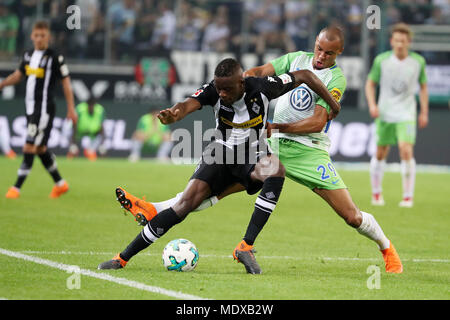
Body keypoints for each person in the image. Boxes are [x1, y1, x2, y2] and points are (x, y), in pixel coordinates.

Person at [123, 26, 403, 274]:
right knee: (212, 190)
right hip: (268, 146)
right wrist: (243, 84)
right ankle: (155, 210)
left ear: (338, 53)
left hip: (307, 151)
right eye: (319, 48)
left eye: (329, 53)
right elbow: (258, 73)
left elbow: (318, 122)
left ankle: (386, 247)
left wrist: (275, 127)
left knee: (351, 216)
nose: (321, 56)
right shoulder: (296, 58)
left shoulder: (335, 80)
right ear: (314, 44)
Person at [98, 57, 340, 274]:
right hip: (219, 154)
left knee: (276, 171)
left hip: (252, 154)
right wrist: (174, 114)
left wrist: (333, 104)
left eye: (227, 89)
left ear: (242, 83)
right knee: (185, 205)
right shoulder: (213, 90)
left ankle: (245, 246)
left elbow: (305, 75)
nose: (221, 93)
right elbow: (187, 104)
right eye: (219, 88)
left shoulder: (263, 86)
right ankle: (122, 258)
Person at [0, 21, 77, 199]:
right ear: (32, 36)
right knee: (40, 148)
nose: (40, 39)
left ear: (48, 37)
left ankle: (16, 188)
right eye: (37, 35)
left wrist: (71, 108)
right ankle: (60, 184)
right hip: (30, 108)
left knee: (29, 145)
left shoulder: (55, 57)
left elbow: (66, 82)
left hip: (43, 109)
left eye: (43, 35)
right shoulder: (27, 55)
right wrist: (3, 84)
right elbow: (19, 75)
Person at [365, 23, 428, 208]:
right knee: (380, 152)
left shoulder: (418, 62)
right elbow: (370, 84)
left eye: (403, 40)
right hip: (385, 113)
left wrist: (424, 111)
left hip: (407, 113)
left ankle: (407, 196)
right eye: (396, 40)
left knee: (406, 150)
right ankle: (377, 193)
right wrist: (372, 104)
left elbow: (423, 87)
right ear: (392, 41)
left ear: (408, 42)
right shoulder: (381, 61)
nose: (400, 44)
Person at [67, 97, 105, 161]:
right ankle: (72, 154)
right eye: (90, 105)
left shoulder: (100, 110)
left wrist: (102, 144)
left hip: (93, 136)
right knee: (74, 148)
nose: (91, 107)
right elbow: (74, 126)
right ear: (87, 105)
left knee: (92, 149)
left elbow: (102, 128)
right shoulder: (80, 109)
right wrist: (73, 143)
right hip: (79, 134)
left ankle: (91, 153)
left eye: (93, 105)